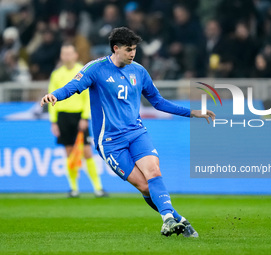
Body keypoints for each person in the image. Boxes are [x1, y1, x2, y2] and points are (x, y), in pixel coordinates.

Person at [41, 27, 215, 237]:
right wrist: (55, 96)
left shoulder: (139, 71)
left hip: (136, 133)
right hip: (110, 142)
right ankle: (179, 220)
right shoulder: (96, 69)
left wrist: (192, 113)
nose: (133, 53)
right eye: (129, 49)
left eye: (134, 49)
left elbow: (158, 102)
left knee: (153, 171)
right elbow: (72, 86)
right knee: (144, 186)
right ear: (116, 48)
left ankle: (167, 219)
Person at [48, 43, 108, 198]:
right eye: (64, 53)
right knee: (69, 153)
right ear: (61, 56)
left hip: (79, 116)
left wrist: (84, 117)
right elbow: (51, 98)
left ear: (75, 55)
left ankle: (98, 188)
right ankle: (74, 188)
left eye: (69, 53)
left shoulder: (82, 71)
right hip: (63, 116)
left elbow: (88, 97)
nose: (67, 56)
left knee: (87, 151)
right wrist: (54, 121)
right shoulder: (56, 74)